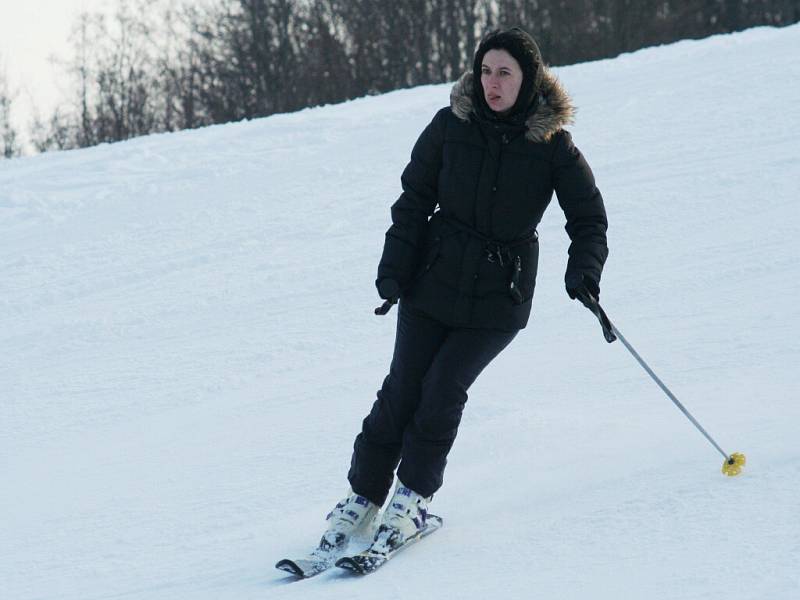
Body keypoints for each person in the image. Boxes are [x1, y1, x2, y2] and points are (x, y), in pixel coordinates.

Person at [324, 27, 609, 556]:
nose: (492, 83)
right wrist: (394, 270)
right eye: (485, 71)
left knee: (442, 391)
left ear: (528, 81)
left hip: (498, 300)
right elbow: (412, 201)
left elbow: (589, 220)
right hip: (433, 282)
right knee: (401, 389)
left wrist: (583, 273)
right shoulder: (449, 126)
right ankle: (361, 498)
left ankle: (410, 501)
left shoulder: (553, 145)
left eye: (505, 73)